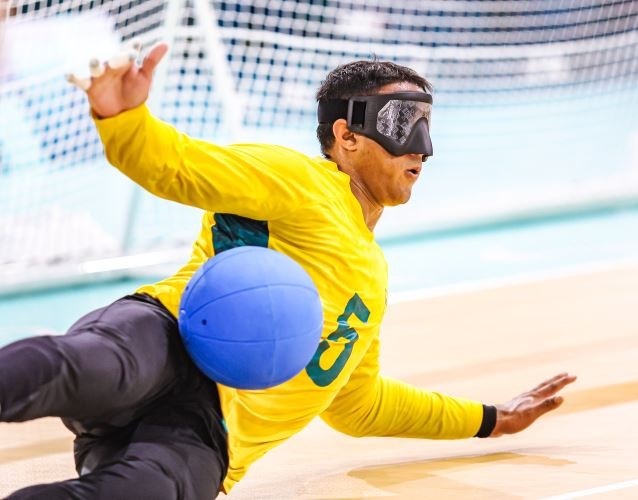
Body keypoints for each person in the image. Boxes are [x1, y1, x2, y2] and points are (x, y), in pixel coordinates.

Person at [0, 42, 576, 499]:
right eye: (403, 123)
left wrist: (491, 420)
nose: (421, 149)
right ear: (346, 136)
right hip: (166, 339)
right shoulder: (298, 181)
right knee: (86, 367)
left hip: (209, 434)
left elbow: (360, 405)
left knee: (150, 490)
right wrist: (123, 117)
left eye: (426, 126)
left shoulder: (370, 280)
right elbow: (173, 166)